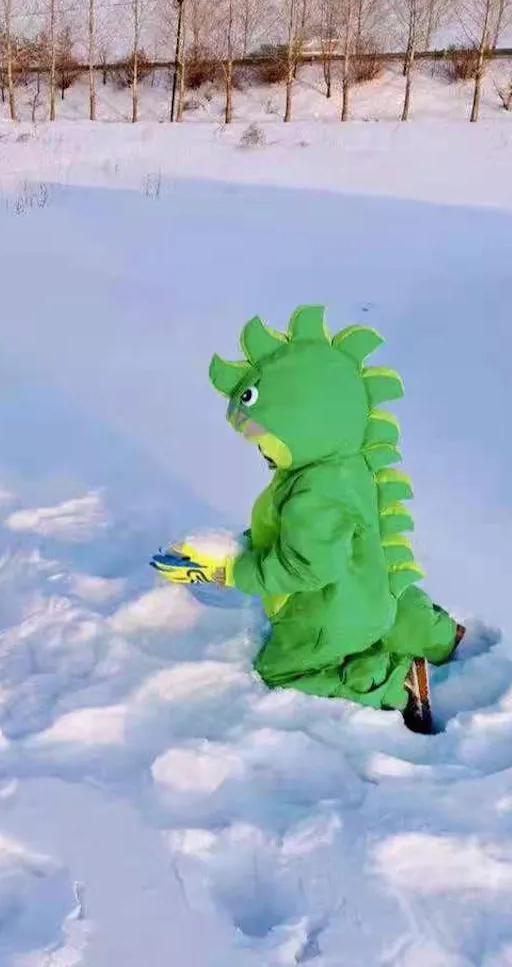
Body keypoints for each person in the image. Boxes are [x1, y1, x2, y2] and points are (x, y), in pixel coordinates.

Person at [152, 304, 464, 734]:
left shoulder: (311, 497)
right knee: (384, 609)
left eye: (264, 439)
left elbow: (306, 568)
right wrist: (245, 542)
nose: (260, 450)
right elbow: (312, 536)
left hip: (329, 613)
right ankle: (438, 635)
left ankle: (395, 684)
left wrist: (230, 570)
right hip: (373, 589)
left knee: (282, 670)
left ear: (302, 425)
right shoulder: (345, 464)